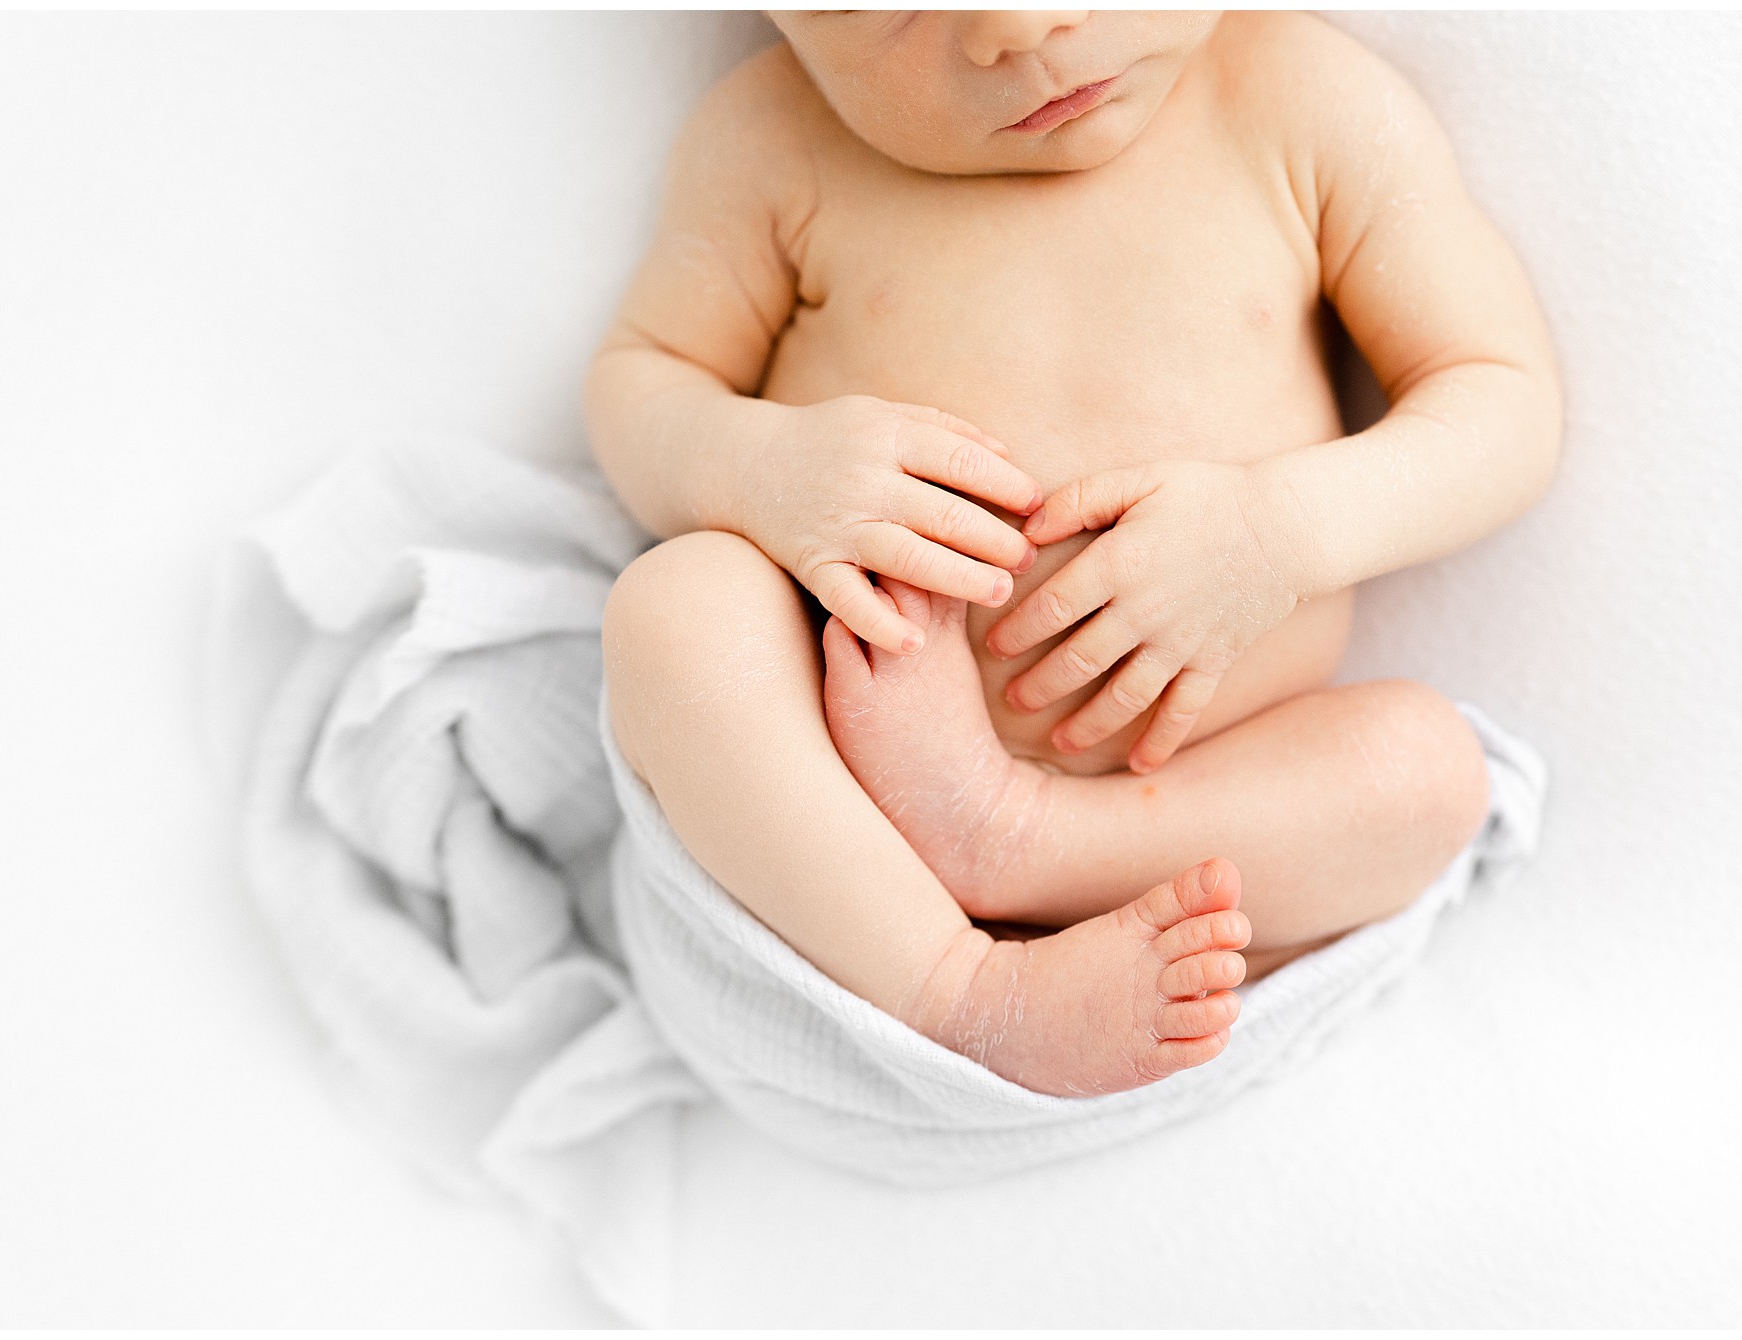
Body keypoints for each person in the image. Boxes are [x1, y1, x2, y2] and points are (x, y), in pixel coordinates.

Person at [586, 10, 1560, 1097]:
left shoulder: (1296, 100)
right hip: (836, 802)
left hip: (1187, 796)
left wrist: (1274, 531)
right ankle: (957, 990)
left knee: (1422, 773)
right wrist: (762, 464)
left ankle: (1023, 843)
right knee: (674, 610)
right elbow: (643, 382)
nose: (1019, 26)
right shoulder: (771, 137)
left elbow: (1497, 400)